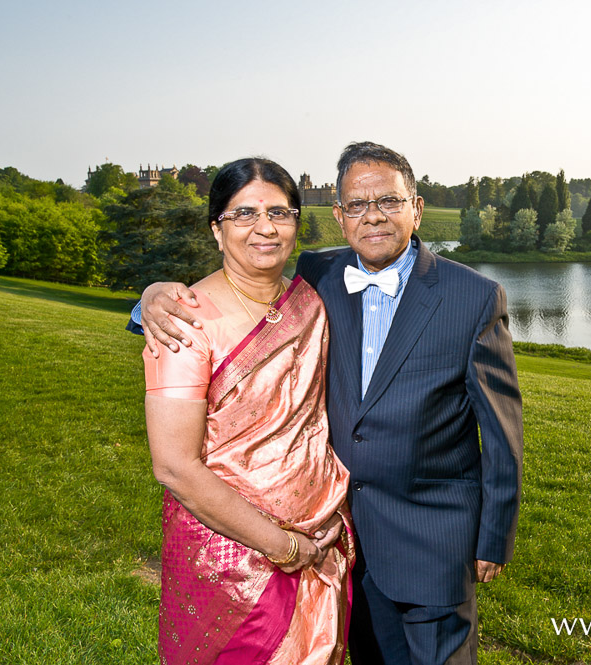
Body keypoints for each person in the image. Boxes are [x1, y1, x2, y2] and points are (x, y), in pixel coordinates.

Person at [138, 142, 523, 665]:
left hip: (430, 538)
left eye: (388, 201)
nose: (374, 218)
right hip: (343, 538)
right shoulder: (319, 274)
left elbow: (502, 435)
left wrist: (492, 538)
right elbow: (225, 293)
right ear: (338, 216)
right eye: (357, 206)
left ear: (417, 207)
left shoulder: (473, 296)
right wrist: (150, 297)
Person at [142, 157, 353, 665]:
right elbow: (173, 465)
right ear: (217, 229)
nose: (264, 228)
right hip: (230, 554)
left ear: (297, 223)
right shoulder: (184, 321)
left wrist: (321, 526)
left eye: (279, 213)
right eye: (243, 214)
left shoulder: (311, 298)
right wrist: (283, 546)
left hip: (322, 528)